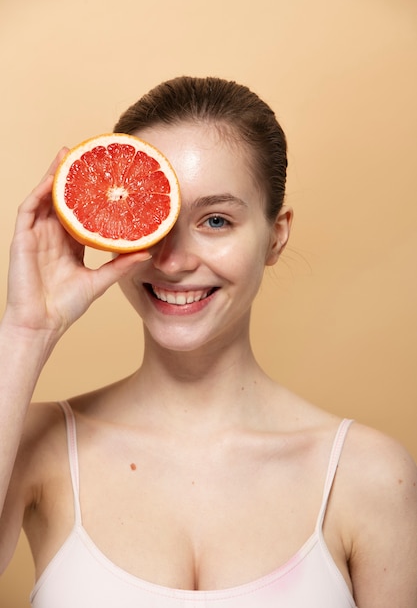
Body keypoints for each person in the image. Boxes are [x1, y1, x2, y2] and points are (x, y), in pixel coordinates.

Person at [0, 76, 416, 608]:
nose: (174, 261)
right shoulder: (36, 444)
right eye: (154, 223)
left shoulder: (371, 476)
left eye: (215, 220)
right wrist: (26, 329)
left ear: (276, 235)